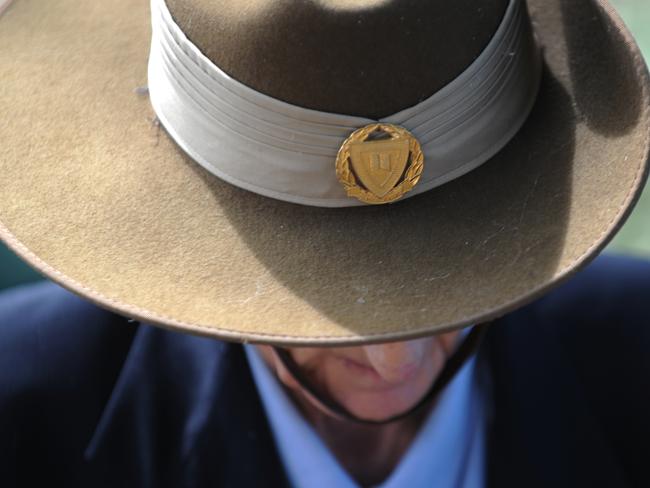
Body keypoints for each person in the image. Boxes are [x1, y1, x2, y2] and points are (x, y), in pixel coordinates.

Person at [0, 0, 649, 486]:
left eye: (453, 267)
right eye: (327, 293)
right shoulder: (27, 410)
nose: (397, 363)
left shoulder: (633, 355)